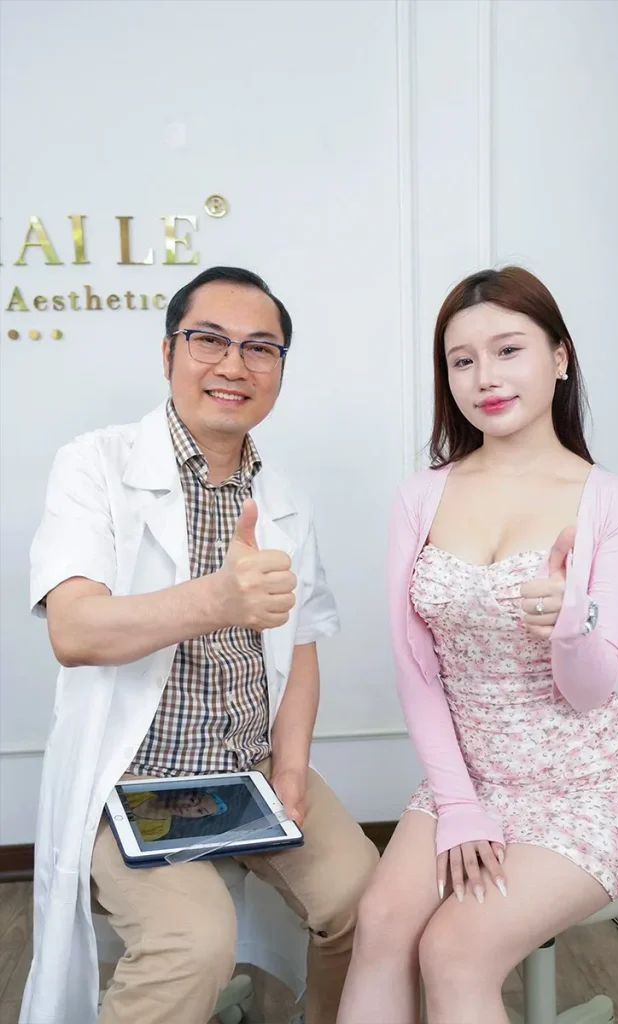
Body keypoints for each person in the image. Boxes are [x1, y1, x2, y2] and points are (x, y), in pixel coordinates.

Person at [21, 266, 378, 1024]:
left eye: (260, 348)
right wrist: (216, 600)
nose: (233, 365)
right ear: (168, 353)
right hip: (131, 779)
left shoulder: (283, 498)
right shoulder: (95, 466)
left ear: (279, 369)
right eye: (209, 339)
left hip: (252, 770)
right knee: (191, 942)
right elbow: (73, 631)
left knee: (367, 900)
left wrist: (290, 767)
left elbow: (303, 643)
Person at [338, 266, 618, 1024]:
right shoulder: (420, 496)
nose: (484, 377)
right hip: (468, 777)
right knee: (380, 924)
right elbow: (416, 668)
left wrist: (572, 624)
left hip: (586, 787)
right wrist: (458, 803)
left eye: (508, 350)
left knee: (455, 951)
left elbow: (588, 689)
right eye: (462, 360)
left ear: (559, 356)